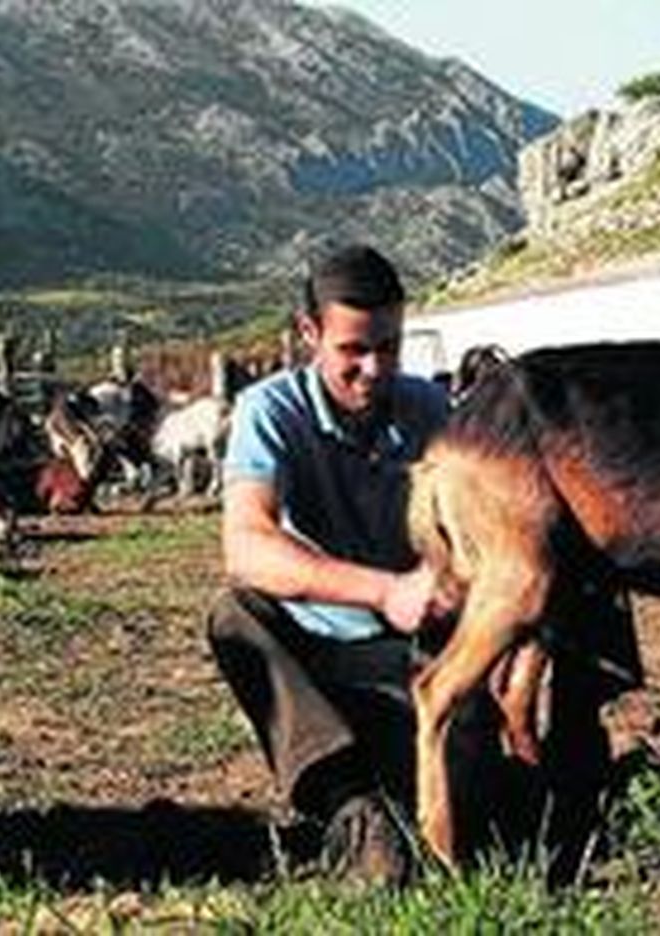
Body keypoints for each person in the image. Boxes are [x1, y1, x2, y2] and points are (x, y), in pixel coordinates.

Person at [205, 244, 458, 886]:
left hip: (424, 650)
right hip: (320, 659)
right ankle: (350, 806)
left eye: (391, 347)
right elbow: (247, 544)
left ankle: (569, 757)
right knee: (235, 615)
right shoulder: (270, 411)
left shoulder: (432, 411)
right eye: (353, 351)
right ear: (309, 333)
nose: (375, 369)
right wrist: (385, 591)